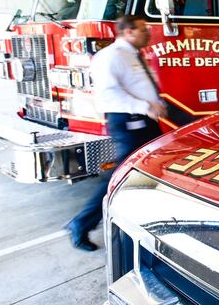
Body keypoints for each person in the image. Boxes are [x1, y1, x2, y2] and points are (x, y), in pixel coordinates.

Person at [65, 14, 166, 251]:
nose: (148, 33)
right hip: (129, 122)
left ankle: (146, 219)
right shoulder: (110, 56)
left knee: (153, 170)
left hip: (145, 120)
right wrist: (145, 106)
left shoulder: (133, 55)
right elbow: (109, 95)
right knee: (121, 175)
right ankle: (81, 223)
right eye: (143, 29)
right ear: (128, 32)